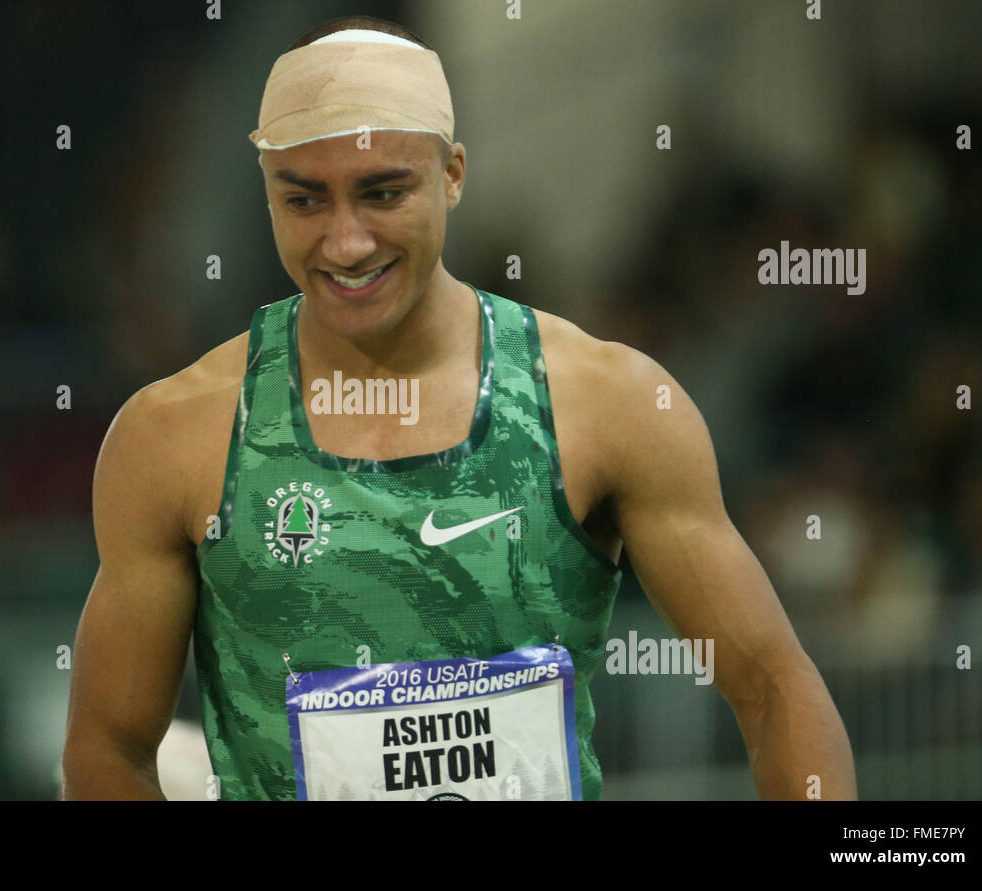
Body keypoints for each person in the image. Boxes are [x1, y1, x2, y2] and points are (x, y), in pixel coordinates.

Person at [61, 16, 856, 801]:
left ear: (453, 175)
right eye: (304, 200)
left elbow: (773, 685)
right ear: (267, 192)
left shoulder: (606, 405)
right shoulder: (177, 435)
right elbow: (108, 750)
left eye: (383, 192)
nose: (346, 242)